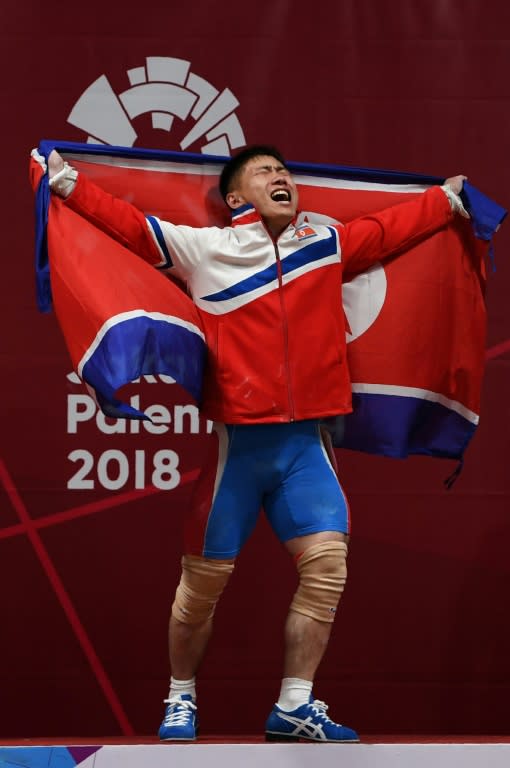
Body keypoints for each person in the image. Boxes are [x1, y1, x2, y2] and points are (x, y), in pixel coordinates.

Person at [44, 145, 467, 743]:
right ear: (238, 196)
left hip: (305, 449)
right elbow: (131, 227)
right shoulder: (206, 249)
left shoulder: (326, 244)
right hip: (237, 454)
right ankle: (180, 697)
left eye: (285, 172)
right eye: (266, 173)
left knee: (327, 572)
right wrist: (64, 184)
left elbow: (388, 230)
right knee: (200, 591)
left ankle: (295, 705)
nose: (282, 178)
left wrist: (446, 198)